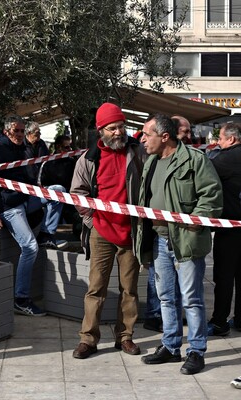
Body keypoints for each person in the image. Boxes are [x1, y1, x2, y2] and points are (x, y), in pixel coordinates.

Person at [137, 114, 222, 375]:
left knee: (191, 299)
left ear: (164, 137)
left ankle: (196, 351)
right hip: (160, 239)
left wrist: (199, 219)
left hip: (185, 240)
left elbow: (211, 193)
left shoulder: (195, 159)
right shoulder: (151, 161)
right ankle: (171, 346)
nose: (142, 139)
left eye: (146, 134)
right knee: (165, 297)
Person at [70, 103, 144, 359]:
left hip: (130, 233)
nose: (118, 132)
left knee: (130, 289)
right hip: (100, 233)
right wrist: (92, 221)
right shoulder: (88, 159)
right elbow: (77, 195)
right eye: (112, 128)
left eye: (121, 126)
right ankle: (88, 340)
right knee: (96, 289)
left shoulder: (137, 152)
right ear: (101, 130)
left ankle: (125, 337)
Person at [0, 116, 46, 317]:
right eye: (17, 131)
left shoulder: (21, 149)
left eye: (23, 131)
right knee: (30, 247)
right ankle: (21, 299)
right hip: (8, 207)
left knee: (57, 193)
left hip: (24, 199)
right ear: (7, 131)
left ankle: (45, 233)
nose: (21, 135)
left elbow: (24, 177)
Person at [207, 122, 241, 335]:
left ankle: (220, 321)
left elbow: (204, 180)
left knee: (224, 277)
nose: (217, 142)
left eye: (220, 138)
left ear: (231, 139)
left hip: (228, 228)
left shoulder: (225, 159)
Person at [25, 122, 66, 250]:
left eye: (39, 133)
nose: (39, 136)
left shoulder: (41, 144)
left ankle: (47, 234)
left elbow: (45, 164)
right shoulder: (21, 147)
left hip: (39, 187)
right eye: (36, 134)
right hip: (23, 193)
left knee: (60, 191)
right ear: (29, 134)